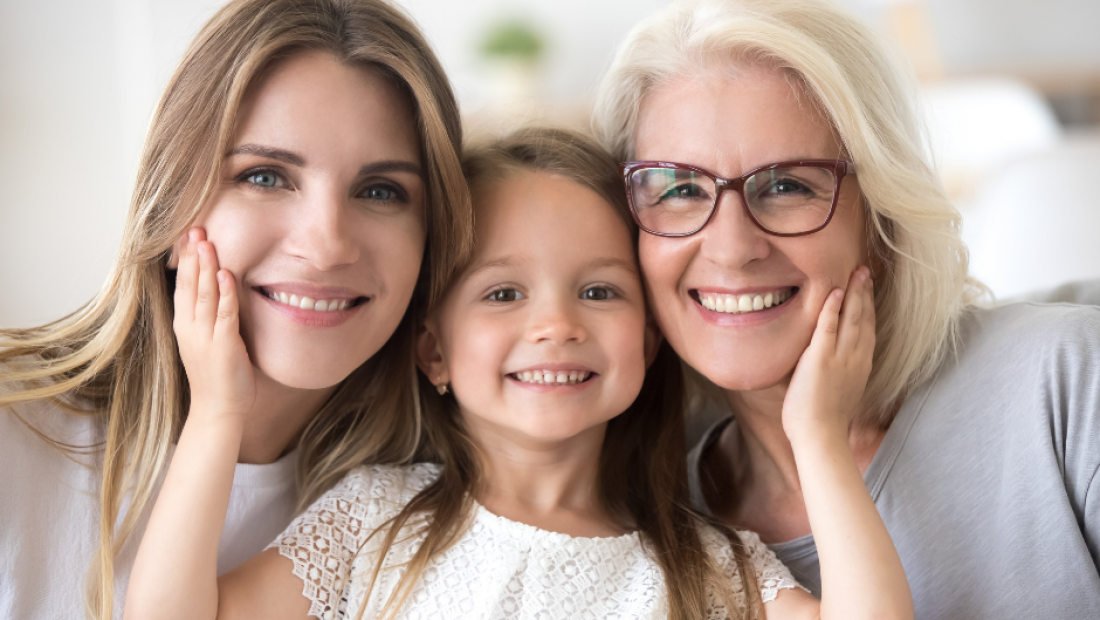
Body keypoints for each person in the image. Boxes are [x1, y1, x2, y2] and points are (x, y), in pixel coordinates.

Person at [123, 127, 912, 620]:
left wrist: (817, 437)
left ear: (650, 338)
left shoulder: (708, 570)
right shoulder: (373, 524)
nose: (557, 326)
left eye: (599, 292)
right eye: (503, 293)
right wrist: (217, 413)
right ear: (432, 349)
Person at [592, 0, 1100, 618]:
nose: (730, 249)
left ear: (883, 222)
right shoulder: (654, 538)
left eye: (787, 186)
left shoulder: (1067, 382)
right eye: (679, 188)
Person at [0, 1, 472, 618]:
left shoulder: (430, 504)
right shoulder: (16, 427)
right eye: (266, 176)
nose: (327, 245)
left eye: (381, 191)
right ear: (171, 205)